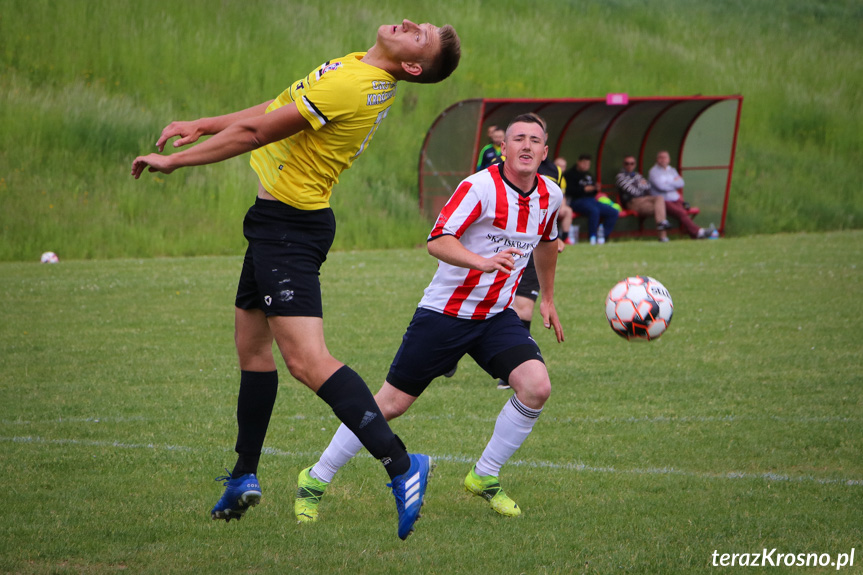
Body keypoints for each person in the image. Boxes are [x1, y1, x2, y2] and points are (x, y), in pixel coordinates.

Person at [130, 19, 461, 541]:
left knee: (308, 362)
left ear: (413, 66)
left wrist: (177, 162)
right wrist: (205, 123)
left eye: (420, 36)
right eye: (419, 23)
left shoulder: (354, 85)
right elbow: (274, 107)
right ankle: (243, 476)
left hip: (290, 228)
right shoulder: (358, 65)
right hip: (273, 226)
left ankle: (402, 465)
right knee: (252, 350)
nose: (411, 24)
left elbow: (260, 132)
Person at [294, 114, 564, 523]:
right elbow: (437, 240)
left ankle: (484, 475)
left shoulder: (551, 195)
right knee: (389, 404)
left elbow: (546, 242)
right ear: (503, 148)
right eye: (518, 139)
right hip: (445, 314)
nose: (526, 146)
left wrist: (547, 297)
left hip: (495, 316)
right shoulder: (479, 187)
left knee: (536, 386)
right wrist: (482, 262)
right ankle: (315, 479)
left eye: (535, 140)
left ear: (545, 152)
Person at [648, 150, 714, 239]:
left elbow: (681, 183)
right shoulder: (653, 172)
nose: (663, 160)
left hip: (675, 198)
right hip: (663, 201)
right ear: (657, 159)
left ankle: (695, 234)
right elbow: (661, 187)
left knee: (684, 212)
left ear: (669, 159)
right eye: (661, 157)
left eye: (665, 157)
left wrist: (667, 183)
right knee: (681, 213)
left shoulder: (672, 170)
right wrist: (673, 183)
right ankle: (699, 232)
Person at [564, 154, 619, 245]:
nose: (586, 166)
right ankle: (592, 237)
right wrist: (583, 189)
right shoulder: (570, 175)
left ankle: (603, 237)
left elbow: (593, 191)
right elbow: (568, 191)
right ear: (578, 162)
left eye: (588, 164)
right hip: (577, 201)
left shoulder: (588, 175)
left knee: (613, 212)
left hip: (591, 200)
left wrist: (595, 188)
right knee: (594, 211)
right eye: (584, 163)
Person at [615, 155, 670, 242]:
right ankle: (663, 236)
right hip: (632, 203)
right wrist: (640, 185)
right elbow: (631, 191)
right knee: (660, 210)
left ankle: (662, 231)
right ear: (624, 165)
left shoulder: (637, 175)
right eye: (627, 163)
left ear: (635, 165)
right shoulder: (620, 177)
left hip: (643, 201)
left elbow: (648, 186)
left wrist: (637, 185)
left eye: (632, 163)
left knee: (659, 201)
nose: (629, 166)